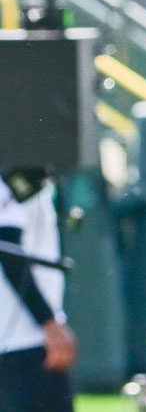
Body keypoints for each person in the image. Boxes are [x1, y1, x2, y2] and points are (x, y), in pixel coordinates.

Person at [0, 169, 76, 412]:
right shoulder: (9, 182)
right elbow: (10, 257)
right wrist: (50, 325)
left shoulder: (28, 183)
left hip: (25, 341)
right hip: (22, 341)